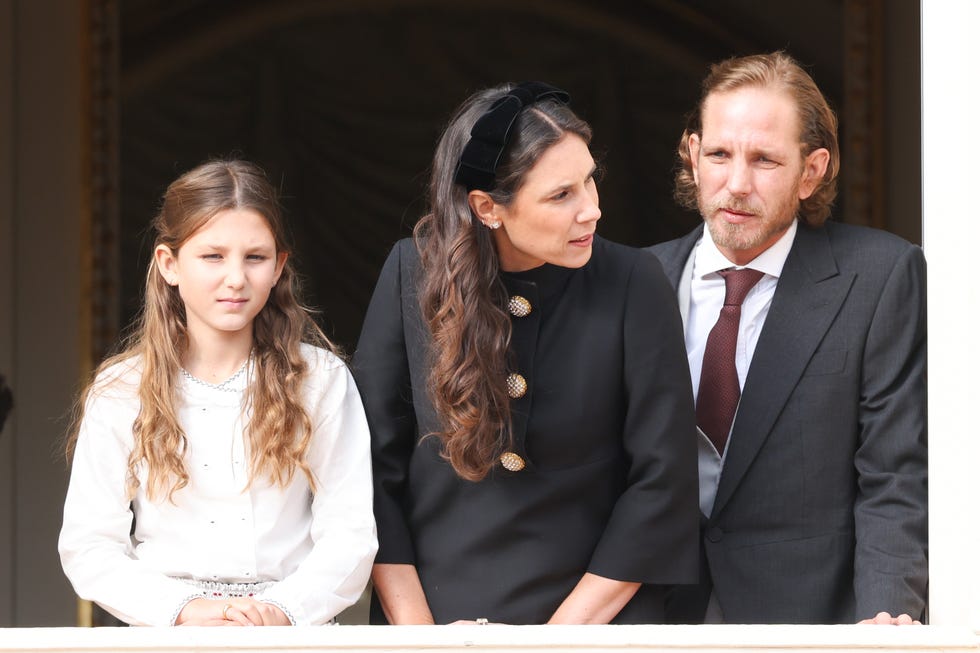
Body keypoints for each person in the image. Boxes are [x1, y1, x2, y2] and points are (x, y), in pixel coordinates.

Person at [353, 82, 699, 625]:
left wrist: (556, 639)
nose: (592, 211)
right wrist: (421, 637)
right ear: (488, 208)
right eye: (562, 195)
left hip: (598, 622)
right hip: (431, 621)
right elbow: (369, 473)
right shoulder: (410, 273)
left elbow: (663, 482)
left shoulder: (635, 281)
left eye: (590, 181)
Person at [649, 52, 927, 624]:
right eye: (720, 155)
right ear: (693, 155)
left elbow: (895, 470)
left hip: (811, 618)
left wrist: (888, 614)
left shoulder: (880, 275)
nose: (737, 183)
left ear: (812, 170)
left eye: (765, 160)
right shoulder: (632, 280)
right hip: (645, 616)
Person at [59, 159, 377, 626]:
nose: (235, 278)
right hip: (167, 633)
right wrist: (187, 610)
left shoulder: (320, 379)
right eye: (212, 256)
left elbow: (350, 535)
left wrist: (281, 610)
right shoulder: (121, 390)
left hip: (287, 633)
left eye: (255, 257)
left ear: (278, 266)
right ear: (169, 264)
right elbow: (89, 546)